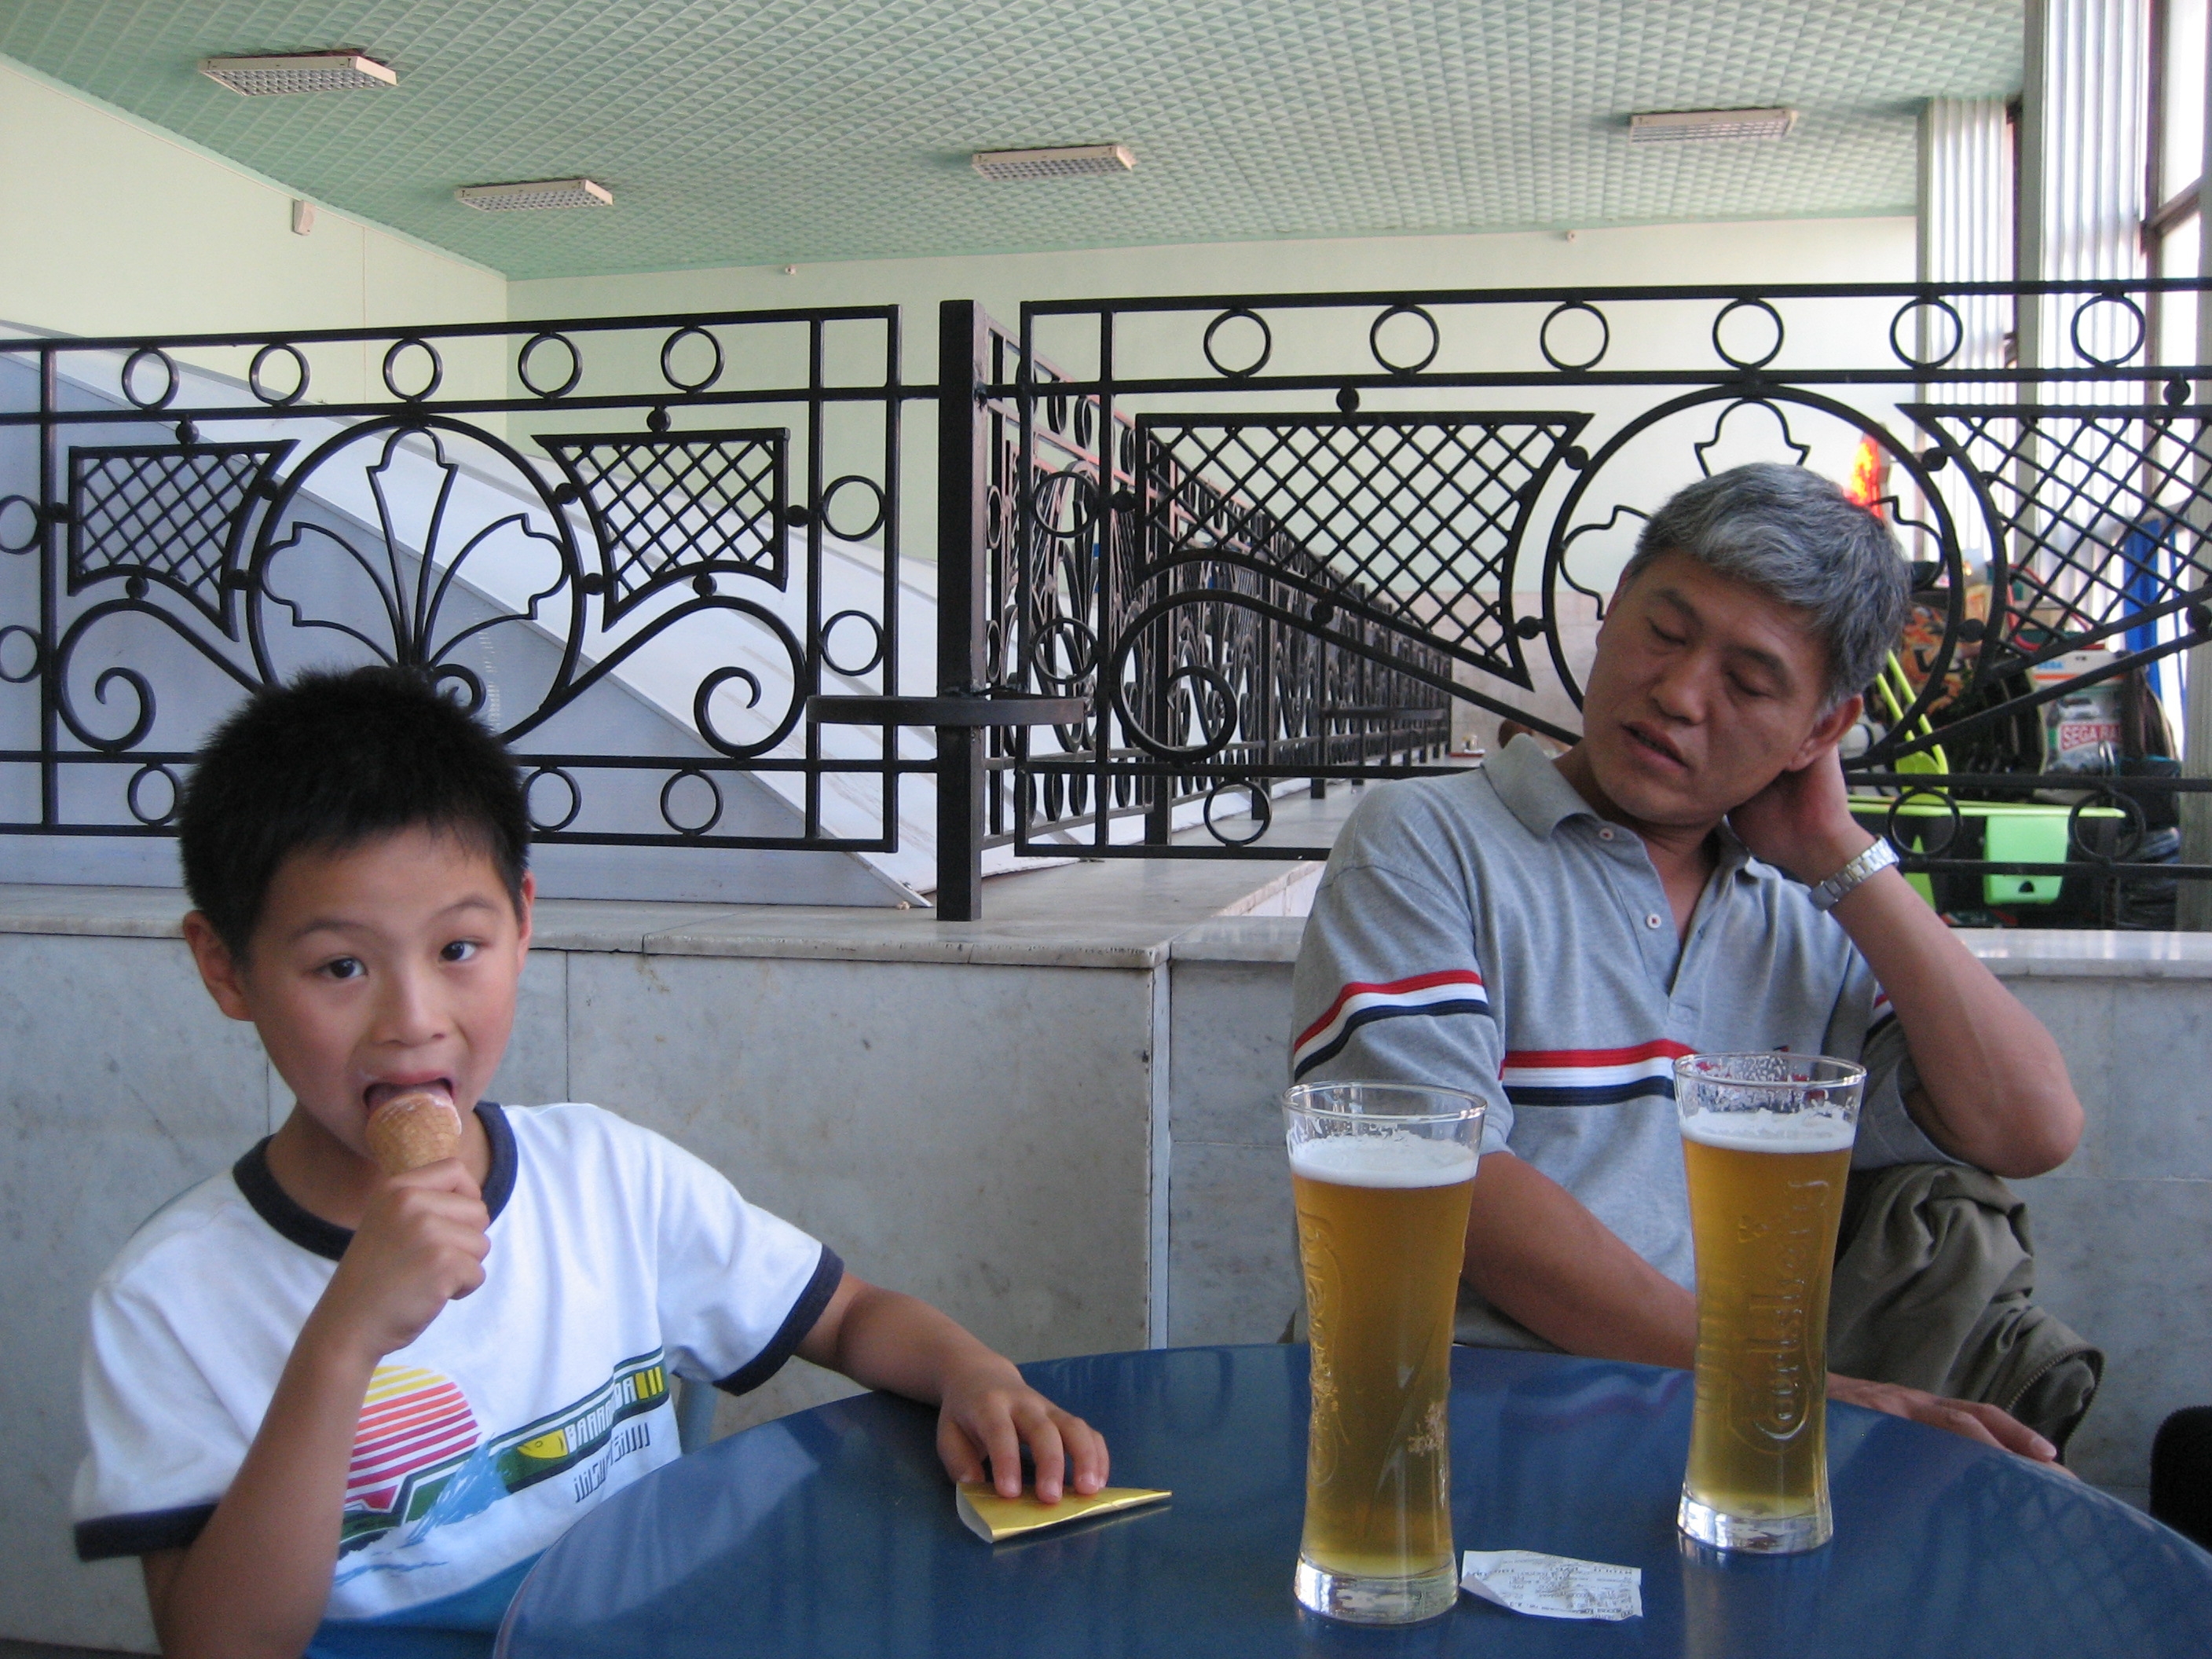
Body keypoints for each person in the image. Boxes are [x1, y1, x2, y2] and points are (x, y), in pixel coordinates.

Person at [71, 666, 1108, 1659]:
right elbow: (221, 1643)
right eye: (341, 966)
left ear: (523, 923)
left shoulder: (606, 1180)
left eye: (458, 949)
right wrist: (344, 1343)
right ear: (226, 968)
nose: (412, 1020)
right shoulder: (171, 1299)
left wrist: (975, 1374)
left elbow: (845, 1314)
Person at [1291, 463, 2094, 1463]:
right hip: (1455, 1435)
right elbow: (1442, 1182)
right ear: (1616, 603)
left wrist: (1837, 853)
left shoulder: (1808, 916)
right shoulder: (1427, 840)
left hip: (1717, 1456)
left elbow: (2029, 1124)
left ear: (1820, 730)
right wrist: (1772, 1383)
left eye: (1747, 683)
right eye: (1664, 632)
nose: (1675, 694)